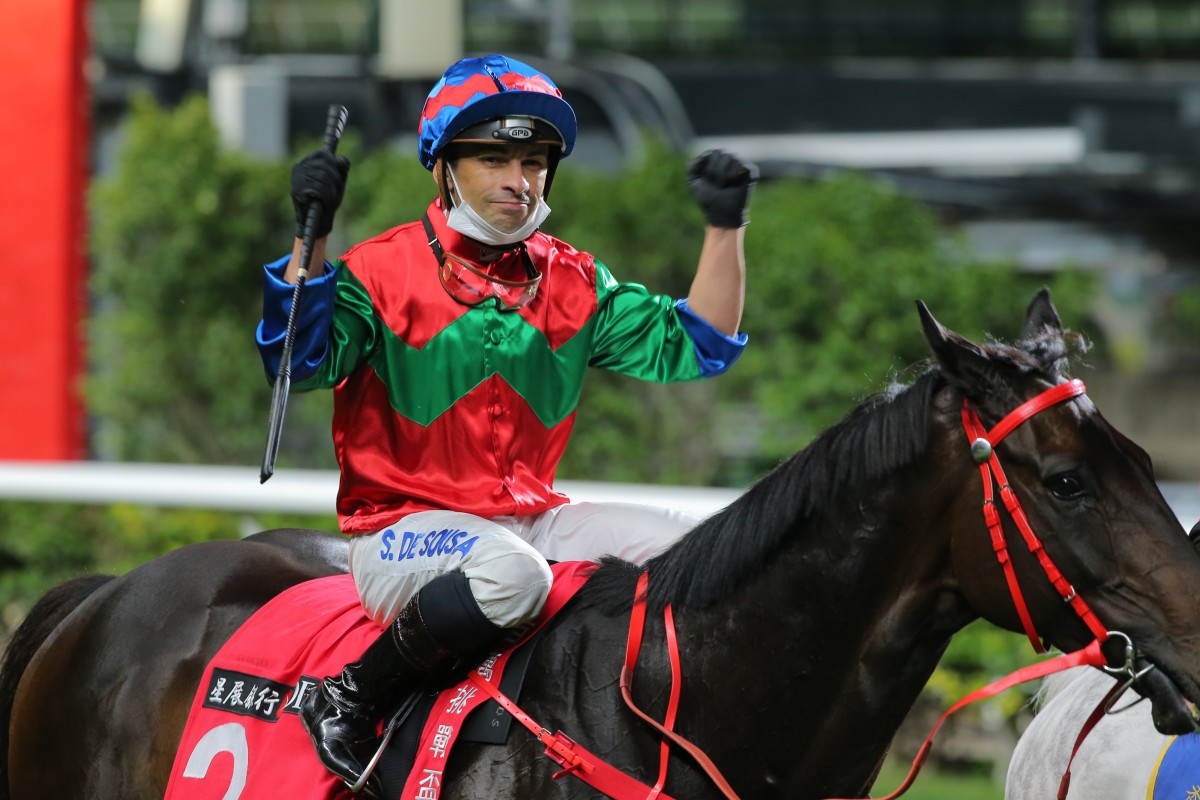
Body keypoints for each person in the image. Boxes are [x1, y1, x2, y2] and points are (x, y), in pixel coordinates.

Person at [256, 53, 756, 795]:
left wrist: (725, 225)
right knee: (509, 574)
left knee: (692, 555)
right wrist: (313, 237)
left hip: (531, 519)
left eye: (532, 161)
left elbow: (701, 346)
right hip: (397, 531)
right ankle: (351, 697)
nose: (517, 181)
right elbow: (298, 362)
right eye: (493, 159)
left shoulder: (573, 279)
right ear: (444, 168)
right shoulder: (377, 270)